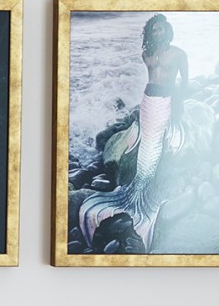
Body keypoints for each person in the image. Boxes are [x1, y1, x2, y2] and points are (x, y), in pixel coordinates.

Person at [73, 13, 189, 252]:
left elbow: (184, 84)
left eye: (161, 29)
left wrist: (178, 109)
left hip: (166, 101)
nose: (158, 33)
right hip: (148, 101)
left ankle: (148, 195)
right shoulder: (146, 54)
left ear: (167, 31)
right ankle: (136, 190)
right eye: (154, 30)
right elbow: (150, 80)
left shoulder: (178, 54)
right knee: (146, 147)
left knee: (156, 148)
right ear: (150, 33)